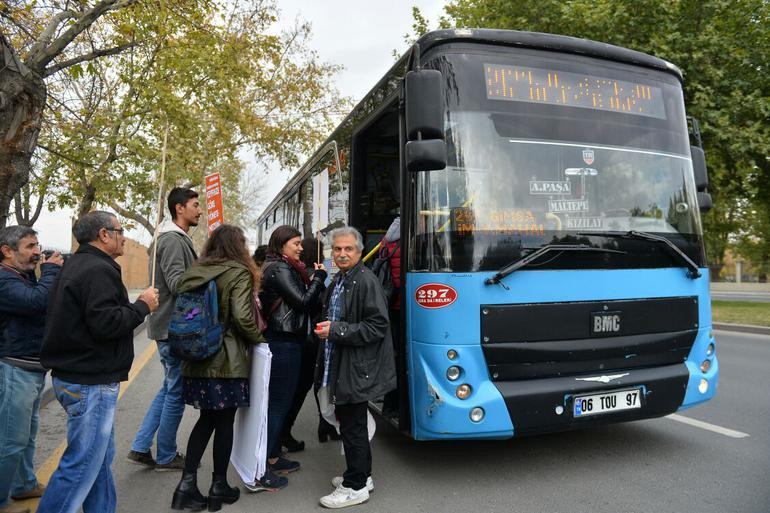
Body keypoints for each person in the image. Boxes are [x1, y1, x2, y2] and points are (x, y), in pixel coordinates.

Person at [38, 211, 159, 513]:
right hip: (89, 381)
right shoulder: (97, 270)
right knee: (81, 465)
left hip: (79, 375)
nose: (124, 238)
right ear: (104, 235)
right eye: (120, 231)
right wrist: (142, 306)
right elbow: (107, 323)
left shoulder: (79, 264)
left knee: (99, 460)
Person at [171, 224, 265, 512]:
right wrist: (261, 340)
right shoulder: (239, 272)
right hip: (226, 360)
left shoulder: (195, 271)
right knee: (224, 422)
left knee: (206, 420)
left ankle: (186, 486)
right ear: (239, 246)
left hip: (196, 357)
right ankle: (218, 486)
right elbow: (242, 318)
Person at [314, 226, 396, 509]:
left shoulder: (365, 281)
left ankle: (355, 486)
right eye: (337, 249)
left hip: (356, 368)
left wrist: (336, 330)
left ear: (360, 251)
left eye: (348, 248)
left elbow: (377, 326)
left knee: (353, 427)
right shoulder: (341, 279)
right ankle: (362, 476)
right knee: (352, 425)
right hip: (343, 365)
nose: (342, 253)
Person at [128, 187, 202, 471]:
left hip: (171, 326)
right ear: (179, 208)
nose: (199, 210)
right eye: (195, 205)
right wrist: (207, 277)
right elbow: (177, 283)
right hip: (174, 328)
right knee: (176, 393)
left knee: (170, 387)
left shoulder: (172, 237)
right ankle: (167, 454)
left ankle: (140, 446)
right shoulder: (171, 240)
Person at [249, 225, 326, 492]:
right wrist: (319, 278)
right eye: (296, 243)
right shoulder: (279, 268)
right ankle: (262, 469)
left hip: (288, 340)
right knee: (278, 404)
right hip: (283, 342)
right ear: (282, 245)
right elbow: (302, 301)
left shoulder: (282, 266)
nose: (300, 248)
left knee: (280, 401)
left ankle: (272, 456)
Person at [0, 227, 63, 513]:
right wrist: (50, 271)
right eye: (29, 246)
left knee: (26, 436)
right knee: (11, 441)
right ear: (6, 251)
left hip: (31, 368)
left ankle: (23, 484)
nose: (37, 252)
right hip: (14, 368)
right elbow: (36, 302)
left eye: (38, 245)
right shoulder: (3, 279)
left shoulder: (21, 275)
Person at [279, 237, 339, 453]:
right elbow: (313, 303)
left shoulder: (297, 273)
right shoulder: (315, 276)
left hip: (305, 337)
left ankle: (291, 429)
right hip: (313, 337)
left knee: (304, 384)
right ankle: (292, 430)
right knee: (316, 382)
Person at [379, 217, 401, 418]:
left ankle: (389, 403)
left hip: (391, 304)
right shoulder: (410, 241)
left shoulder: (386, 241)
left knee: (394, 354)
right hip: (403, 305)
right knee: (401, 357)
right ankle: (393, 405)